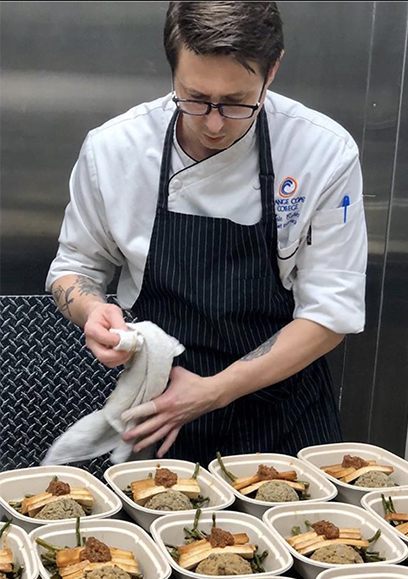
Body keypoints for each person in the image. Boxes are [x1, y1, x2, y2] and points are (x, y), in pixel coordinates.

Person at [46, 1, 367, 467]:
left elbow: (332, 313)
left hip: (284, 415)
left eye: (237, 103)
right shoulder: (115, 149)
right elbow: (73, 269)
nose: (214, 123)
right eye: (194, 98)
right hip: (159, 413)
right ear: (172, 69)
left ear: (272, 70)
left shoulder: (322, 152)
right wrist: (92, 310)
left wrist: (214, 391)